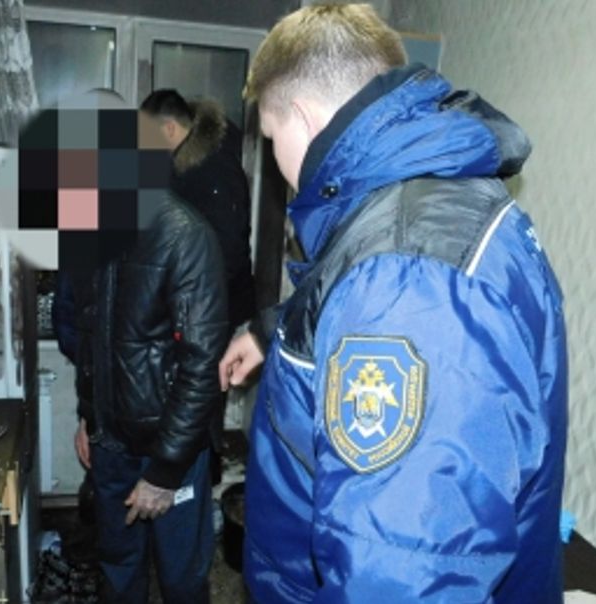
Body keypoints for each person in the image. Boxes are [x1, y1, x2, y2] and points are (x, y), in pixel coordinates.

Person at [218, 4, 568, 603]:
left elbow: (403, 577)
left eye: (272, 139)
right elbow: (350, 294)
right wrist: (272, 329)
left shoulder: (408, 276)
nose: (277, 164)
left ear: (302, 117)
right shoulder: (423, 208)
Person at [53, 99, 230, 603]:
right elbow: (89, 340)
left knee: (181, 578)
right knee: (118, 565)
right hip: (110, 445)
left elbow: (203, 366)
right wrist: (88, 416)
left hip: (170, 447)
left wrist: (165, 472)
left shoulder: (186, 237)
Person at [140, 89, 255, 329]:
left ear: (169, 129)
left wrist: (192, 301)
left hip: (216, 310)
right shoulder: (178, 165)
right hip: (195, 303)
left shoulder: (215, 169)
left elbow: (228, 250)